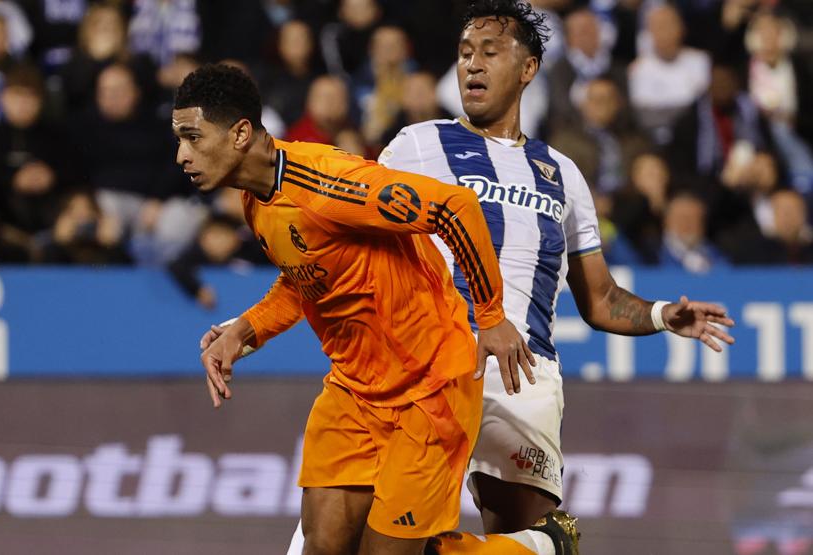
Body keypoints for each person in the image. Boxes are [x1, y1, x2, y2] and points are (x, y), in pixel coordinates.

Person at [366, 0, 729, 544]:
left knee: (524, 536)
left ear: (528, 68)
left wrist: (660, 315)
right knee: (374, 540)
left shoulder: (563, 173)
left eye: (490, 52)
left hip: (524, 380)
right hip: (428, 368)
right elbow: (359, 245)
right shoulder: (415, 145)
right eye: (465, 53)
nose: (472, 64)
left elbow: (600, 299)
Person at [177, 63, 573, 555]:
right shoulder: (255, 199)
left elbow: (456, 208)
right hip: (354, 390)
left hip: (429, 389)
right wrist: (244, 330)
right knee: (323, 547)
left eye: (192, 137)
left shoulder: (331, 183)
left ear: (239, 134)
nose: (181, 155)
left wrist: (490, 317)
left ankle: (540, 548)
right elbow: (305, 276)